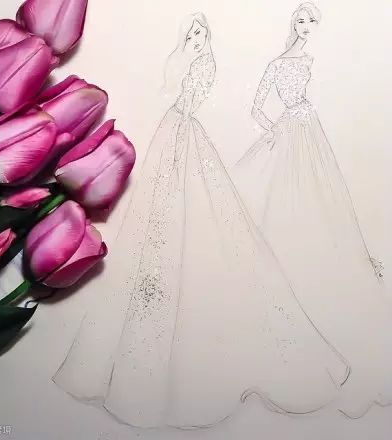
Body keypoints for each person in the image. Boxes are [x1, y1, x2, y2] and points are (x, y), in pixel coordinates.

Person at [53, 12, 351, 428]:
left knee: (196, 219)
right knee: (157, 223)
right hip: (176, 130)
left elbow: (188, 100)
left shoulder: (206, 64)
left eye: (201, 32)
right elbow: (174, 92)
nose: (196, 38)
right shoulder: (192, 61)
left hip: (184, 132)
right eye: (192, 33)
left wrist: (185, 84)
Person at [233, 2, 392, 418]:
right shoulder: (287, 62)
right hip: (298, 130)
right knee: (293, 199)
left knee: (322, 197)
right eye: (300, 20)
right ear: (294, 24)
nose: (305, 26)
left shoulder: (313, 59)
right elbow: (256, 107)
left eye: (310, 20)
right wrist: (277, 128)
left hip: (303, 129)